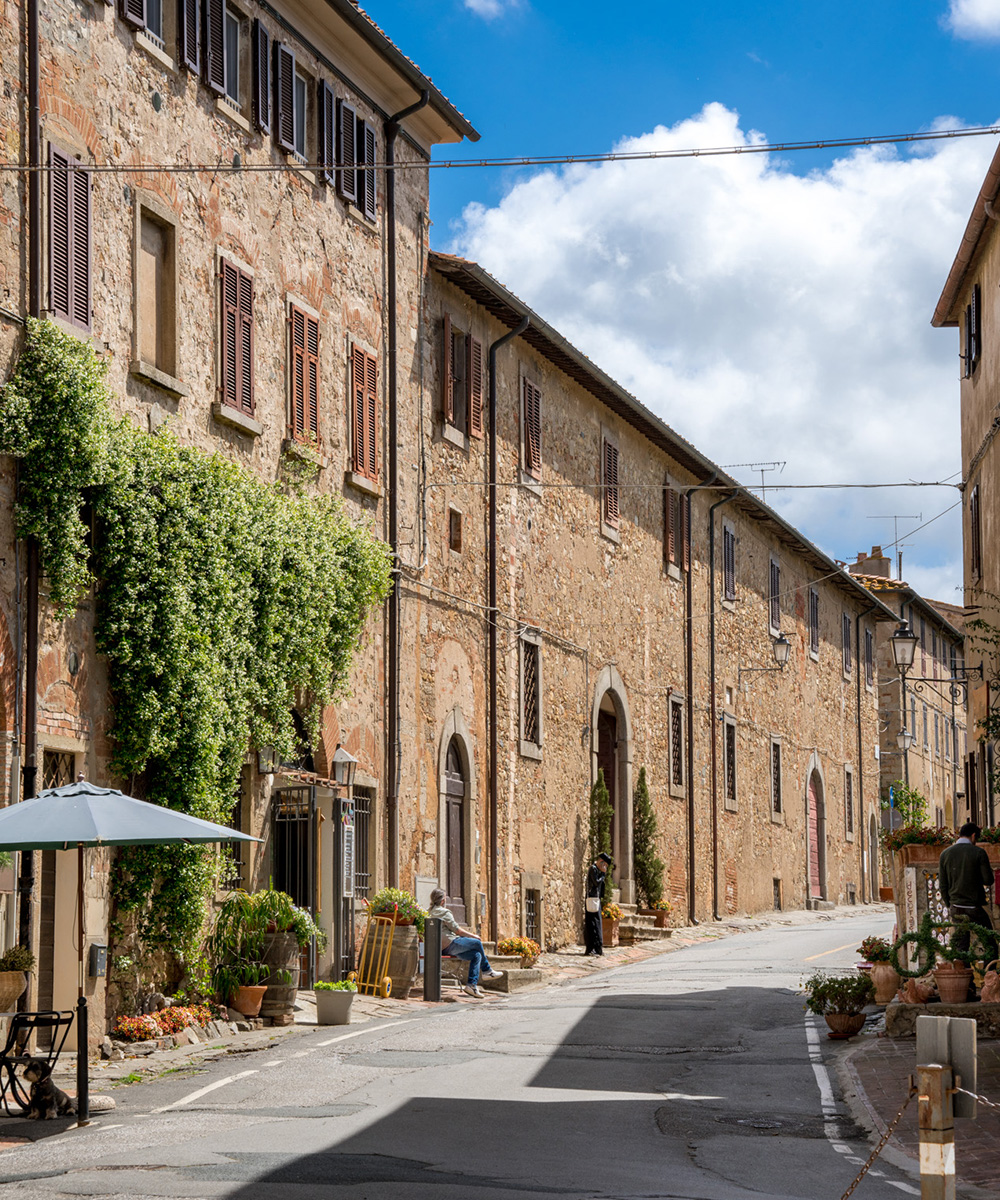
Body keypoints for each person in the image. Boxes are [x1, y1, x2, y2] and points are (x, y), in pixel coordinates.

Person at [427, 888, 503, 998]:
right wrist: (473, 936)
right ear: (443, 900)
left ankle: (471, 985)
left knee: (476, 955)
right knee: (476, 943)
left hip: (438, 948)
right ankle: (487, 970)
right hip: (450, 944)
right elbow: (457, 930)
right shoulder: (444, 912)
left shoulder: (428, 912)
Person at [939, 822, 996, 959]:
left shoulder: (945, 854)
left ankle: (965, 979)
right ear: (973, 835)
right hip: (974, 906)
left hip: (956, 907)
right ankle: (991, 975)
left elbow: (943, 885)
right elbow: (988, 880)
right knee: (989, 941)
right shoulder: (978, 853)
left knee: (961, 946)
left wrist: (949, 903)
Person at [583, 853, 612, 956]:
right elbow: (596, 882)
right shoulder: (593, 869)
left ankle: (598, 948)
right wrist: (603, 874)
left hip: (596, 900)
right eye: (604, 865)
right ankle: (591, 948)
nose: (605, 868)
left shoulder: (597, 870)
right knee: (592, 924)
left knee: (597, 924)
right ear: (601, 861)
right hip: (592, 900)